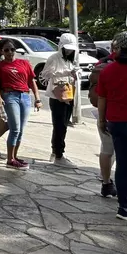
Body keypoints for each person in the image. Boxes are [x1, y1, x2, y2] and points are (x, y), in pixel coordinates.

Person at [0, 39, 42, 170]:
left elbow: (32, 81)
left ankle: (15, 156)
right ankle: (10, 159)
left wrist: (37, 99)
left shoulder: (24, 63)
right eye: (6, 50)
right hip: (10, 96)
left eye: (12, 50)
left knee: (21, 130)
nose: (10, 52)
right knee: (15, 128)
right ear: (2, 51)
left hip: (25, 96)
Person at [96, 31, 127, 220]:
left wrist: (101, 120)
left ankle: (124, 207)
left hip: (116, 122)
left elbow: (102, 97)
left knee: (123, 163)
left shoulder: (107, 70)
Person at [40, 33, 78, 168]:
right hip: (57, 96)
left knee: (62, 126)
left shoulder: (69, 59)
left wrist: (74, 73)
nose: (69, 51)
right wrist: (64, 73)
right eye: (67, 48)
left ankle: (55, 151)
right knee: (59, 125)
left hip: (68, 94)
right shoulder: (54, 58)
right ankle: (59, 154)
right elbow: (44, 76)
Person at [90, 38, 120, 197]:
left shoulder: (102, 63)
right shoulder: (118, 66)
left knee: (106, 149)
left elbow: (100, 95)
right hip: (119, 117)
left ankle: (106, 182)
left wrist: (101, 119)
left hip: (105, 114)